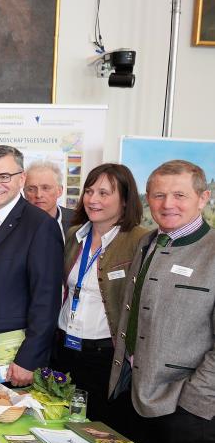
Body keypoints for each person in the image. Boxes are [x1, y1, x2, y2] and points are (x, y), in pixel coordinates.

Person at [108, 160, 215, 443]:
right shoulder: (148, 243)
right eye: (158, 195)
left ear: (203, 198)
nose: (167, 203)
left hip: (188, 414)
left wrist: (193, 404)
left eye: (179, 195)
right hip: (135, 400)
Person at [50, 164, 146, 426]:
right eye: (89, 191)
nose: (93, 200)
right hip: (65, 350)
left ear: (125, 200)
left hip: (106, 357)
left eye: (104, 193)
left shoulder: (140, 240)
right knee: (62, 425)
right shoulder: (75, 235)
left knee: (102, 431)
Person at [0, 145, 63, 386]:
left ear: (22, 179)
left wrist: (29, 359)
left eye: (4, 176)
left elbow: (46, 301)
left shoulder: (40, 226)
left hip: (10, 359)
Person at [24, 160, 74, 239]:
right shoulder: (13, 223)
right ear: (24, 193)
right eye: (31, 189)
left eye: (45, 188)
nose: (38, 195)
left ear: (59, 191)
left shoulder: (78, 221)